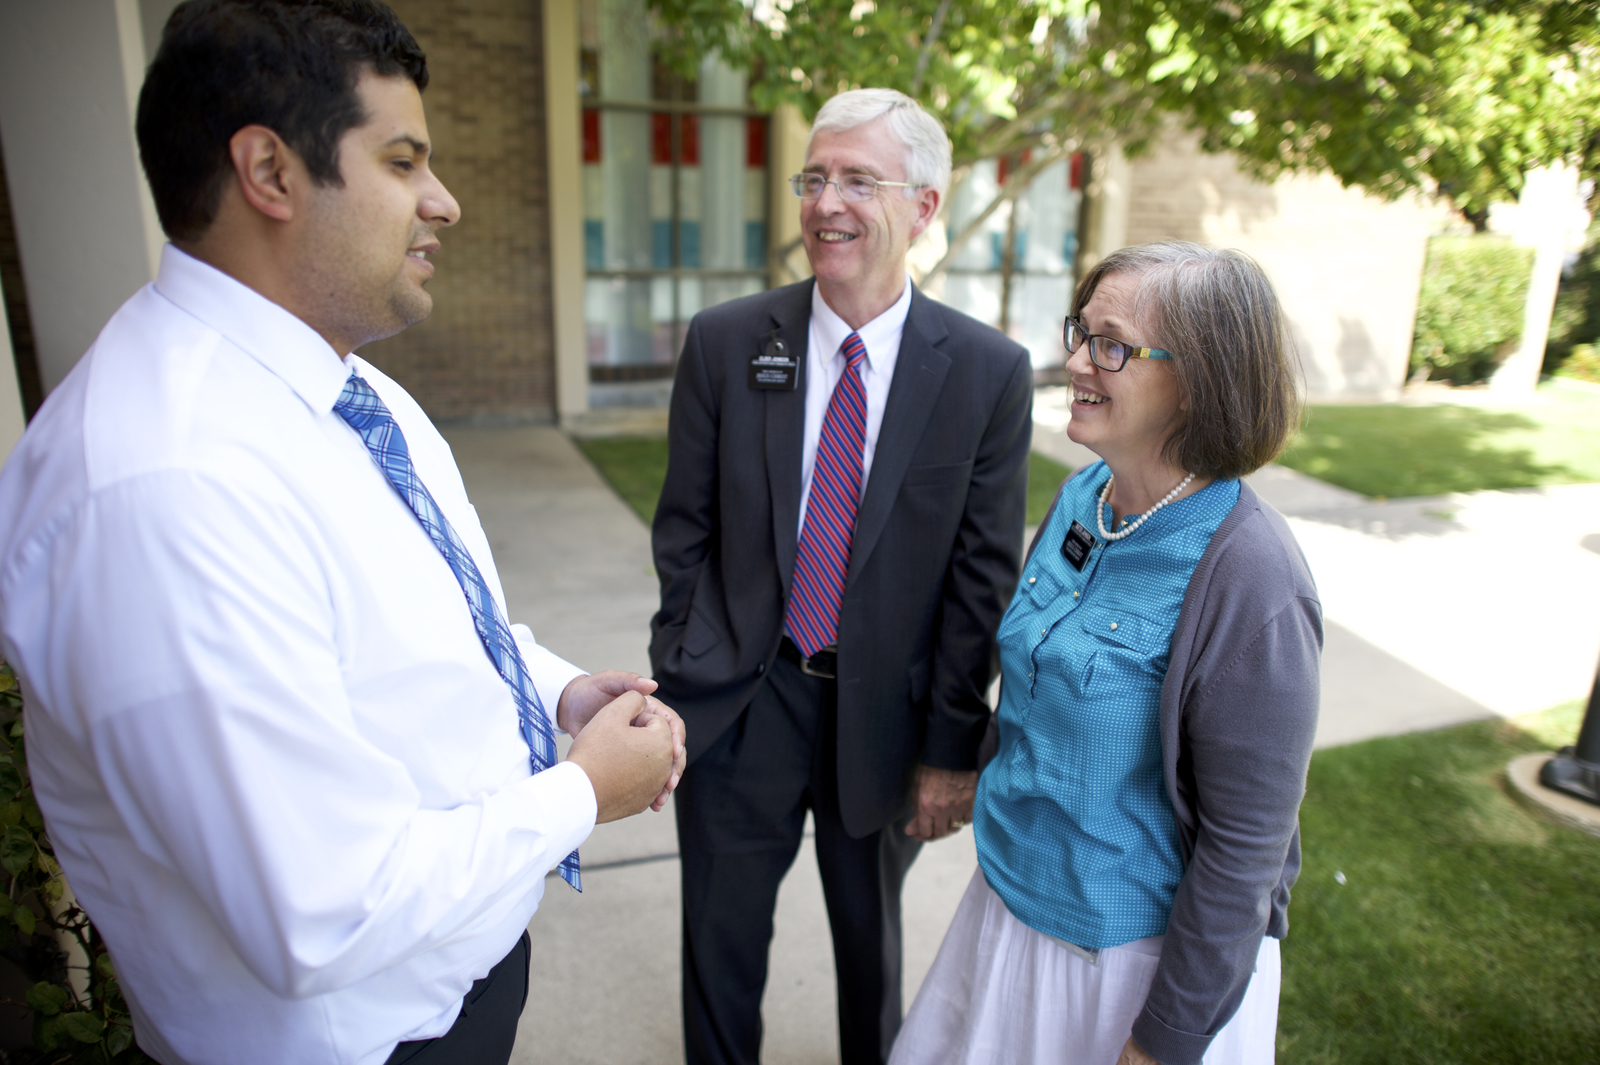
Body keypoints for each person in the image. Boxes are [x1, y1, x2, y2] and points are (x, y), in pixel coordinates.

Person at [0, 3, 684, 1064]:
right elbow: (322, 908)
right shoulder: (159, 487)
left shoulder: (348, 388)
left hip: (458, 977)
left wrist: (554, 691)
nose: (443, 202)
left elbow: (426, 628)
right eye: (404, 161)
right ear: (269, 172)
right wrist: (584, 789)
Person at [650, 88, 1033, 1065]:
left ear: (924, 207)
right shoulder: (728, 342)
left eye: (858, 180)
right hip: (743, 704)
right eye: (814, 178)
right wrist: (686, 673)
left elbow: (980, 577)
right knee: (717, 949)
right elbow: (684, 528)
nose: (826, 202)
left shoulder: (986, 372)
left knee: (872, 959)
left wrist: (951, 749)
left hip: (886, 723)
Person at [890, 241, 1320, 1065]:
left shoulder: (1252, 577)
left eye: (1112, 345)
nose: (1078, 361)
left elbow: (1244, 854)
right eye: (1080, 333)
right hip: (1009, 910)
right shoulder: (1084, 496)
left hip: (1126, 969)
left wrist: (1165, 1039)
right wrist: (967, 769)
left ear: (1197, 383)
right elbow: (1039, 677)